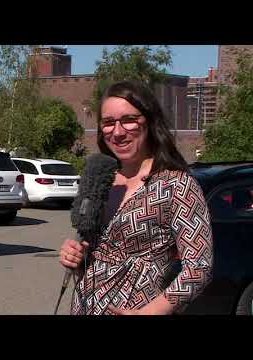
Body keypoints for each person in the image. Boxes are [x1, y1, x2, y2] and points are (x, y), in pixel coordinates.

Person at [60, 81, 213, 315]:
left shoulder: (176, 184)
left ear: (150, 121)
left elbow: (198, 268)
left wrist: (150, 312)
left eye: (129, 119)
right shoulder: (101, 179)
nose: (118, 132)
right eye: (108, 123)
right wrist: (76, 257)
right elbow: (93, 256)